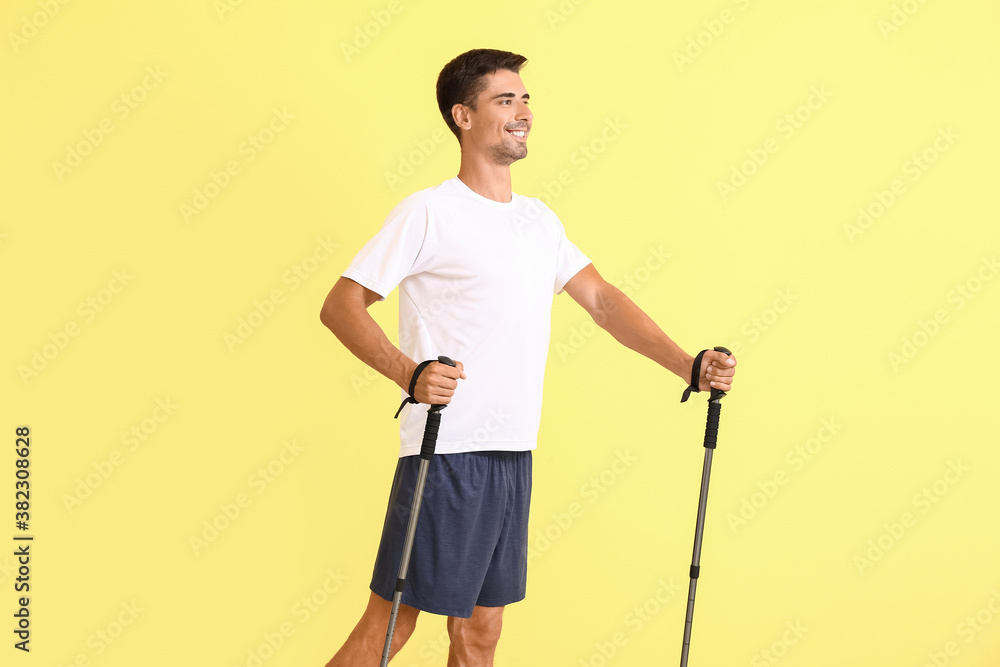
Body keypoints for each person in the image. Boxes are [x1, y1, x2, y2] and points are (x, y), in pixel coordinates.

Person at [319, 48, 736, 667]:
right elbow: (341, 306)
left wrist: (687, 365)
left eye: (526, 98)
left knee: (482, 634)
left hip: (513, 452)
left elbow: (603, 302)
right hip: (448, 453)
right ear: (463, 116)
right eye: (504, 100)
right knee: (391, 628)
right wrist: (409, 374)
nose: (523, 112)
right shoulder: (429, 212)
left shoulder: (539, 221)